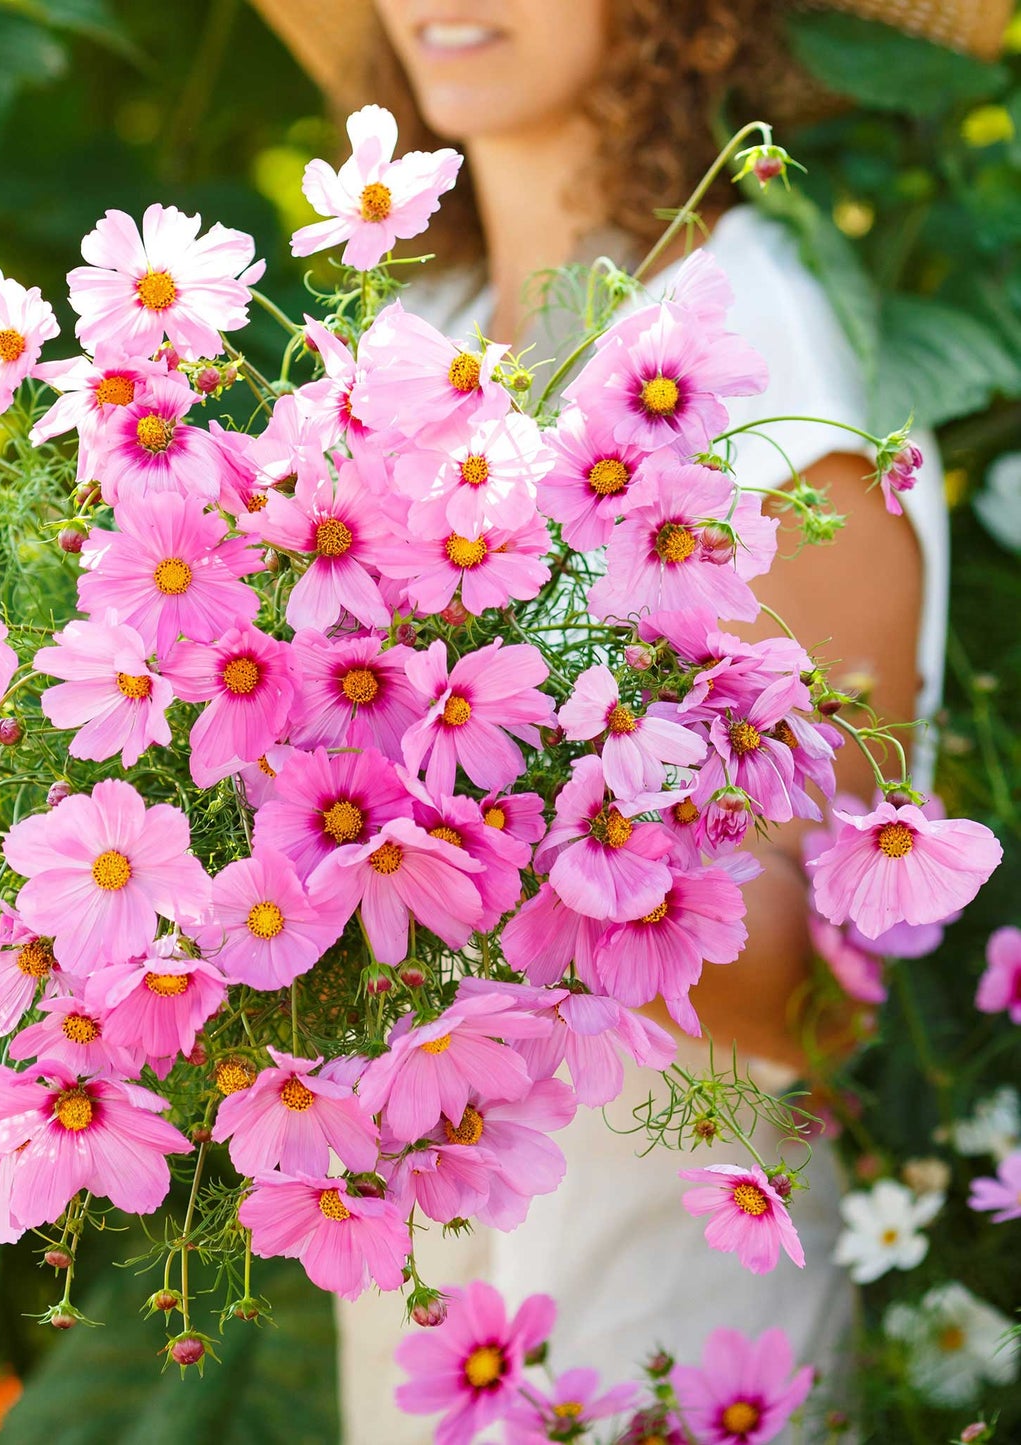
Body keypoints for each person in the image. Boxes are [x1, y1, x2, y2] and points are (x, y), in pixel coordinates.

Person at [248, 0, 1007, 1436]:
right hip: (428, 1287)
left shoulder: (757, 346)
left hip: (674, 1302)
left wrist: (496, 854)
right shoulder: (428, 339)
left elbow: (819, 985)